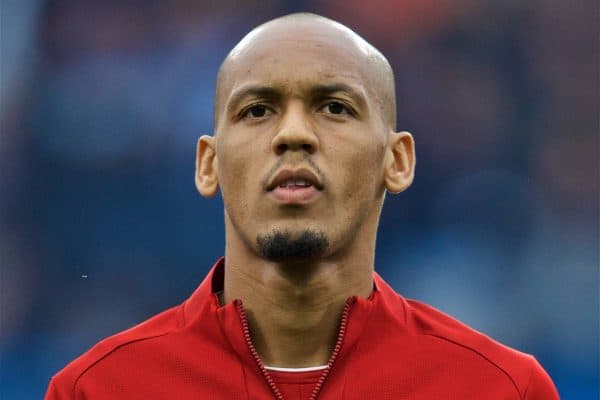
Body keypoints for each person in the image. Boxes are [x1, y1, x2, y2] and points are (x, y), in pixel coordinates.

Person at [45, 13, 559, 399]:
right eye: (258, 110)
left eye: (335, 107)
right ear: (208, 164)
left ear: (397, 161)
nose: (293, 134)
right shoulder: (99, 389)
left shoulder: (499, 388)